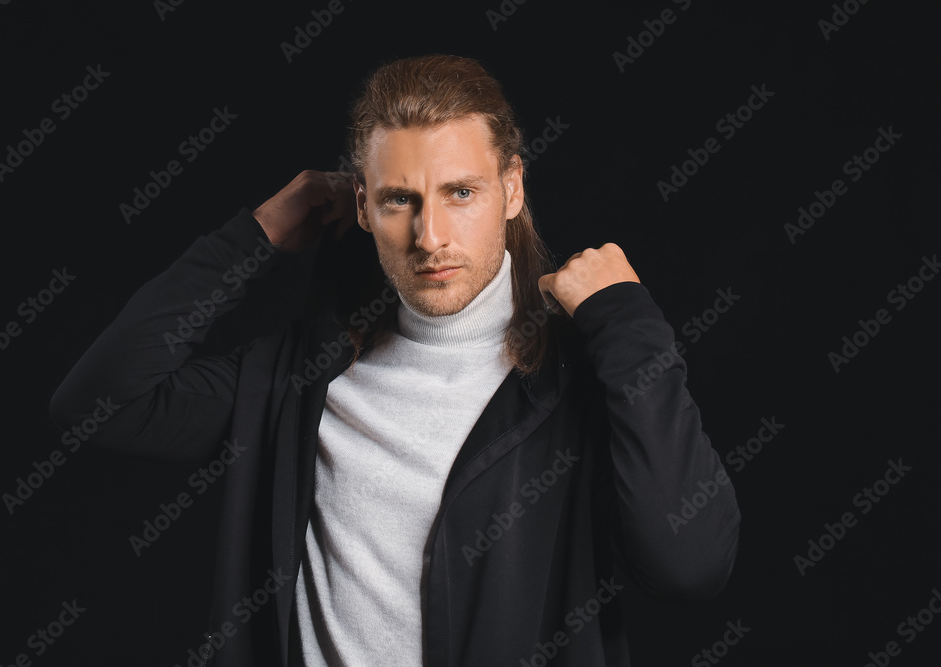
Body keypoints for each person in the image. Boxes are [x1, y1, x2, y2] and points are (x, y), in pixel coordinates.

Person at [50, 53, 740, 666]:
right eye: (398, 200)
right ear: (361, 205)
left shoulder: (582, 376)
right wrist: (252, 236)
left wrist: (627, 322)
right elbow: (98, 403)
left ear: (513, 189)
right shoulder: (298, 380)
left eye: (460, 192)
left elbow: (690, 565)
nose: (430, 235)